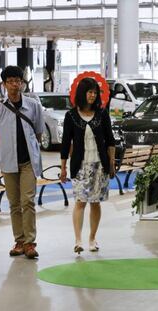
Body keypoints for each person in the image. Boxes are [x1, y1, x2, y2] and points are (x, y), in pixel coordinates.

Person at [0, 65, 44, 259]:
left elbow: (38, 133)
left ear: (22, 83)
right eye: (10, 81)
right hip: (8, 162)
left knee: (27, 200)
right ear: (4, 85)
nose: (14, 85)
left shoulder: (34, 105)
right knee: (14, 203)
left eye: (18, 81)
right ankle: (19, 241)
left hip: (28, 161)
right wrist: (6, 150)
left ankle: (30, 243)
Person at [60, 77, 116, 254]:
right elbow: (65, 143)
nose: (92, 95)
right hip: (80, 166)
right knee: (80, 202)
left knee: (95, 203)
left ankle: (92, 237)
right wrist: (63, 167)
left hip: (100, 165)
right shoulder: (71, 116)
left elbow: (110, 141)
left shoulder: (102, 114)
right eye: (89, 92)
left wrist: (112, 163)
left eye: (95, 92)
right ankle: (78, 240)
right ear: (82, 93)